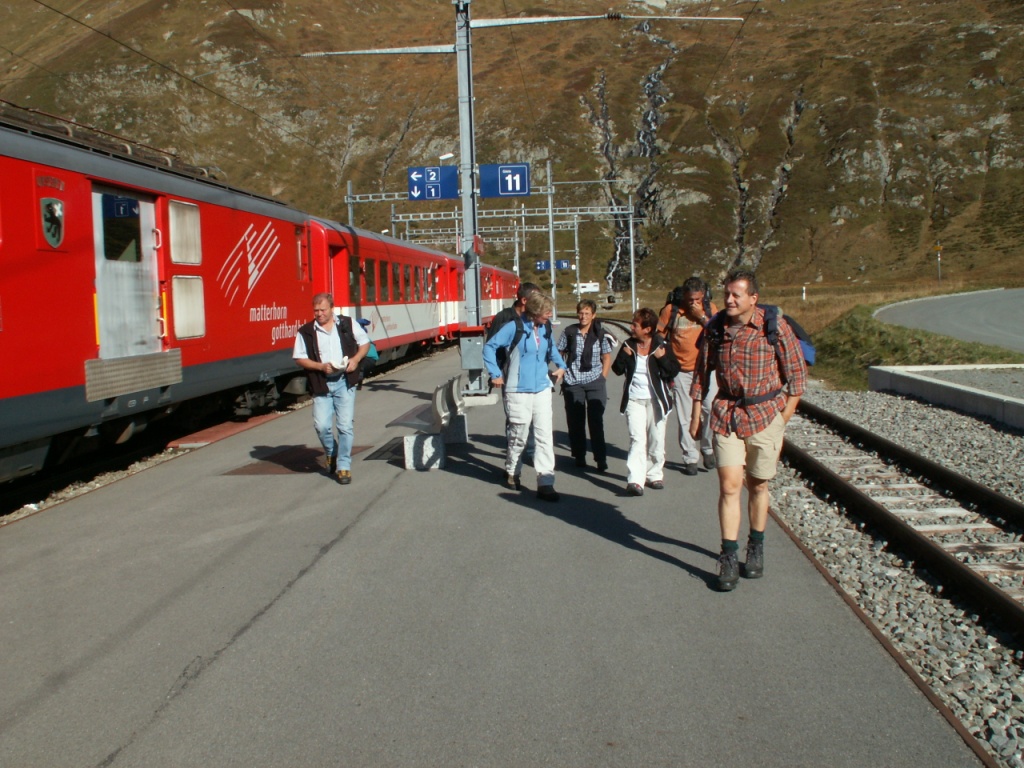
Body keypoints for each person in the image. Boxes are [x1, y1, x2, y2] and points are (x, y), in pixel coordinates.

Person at [689, 268, 808, 591]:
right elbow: (701, 373)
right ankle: (728, 555)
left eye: (736, 295)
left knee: (757, 485)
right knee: (729, 486)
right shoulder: (715, 328)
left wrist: (783, 417)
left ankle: (756, 545)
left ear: (753, 298)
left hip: (765, 414)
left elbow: (797, 376)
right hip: (727, 414)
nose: (729, 300)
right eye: (727, 294)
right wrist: (696, 413)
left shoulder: (774, 327)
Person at [483, 293, 567, 502]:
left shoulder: (546, 328)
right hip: (517, 389)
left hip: (542, 388)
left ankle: (546, 482)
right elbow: (489, 347)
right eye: (546, 312)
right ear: (535, 312)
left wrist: (561, 366)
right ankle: (512, 470)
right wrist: (495, 374)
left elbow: (551, 349)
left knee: (544, 436)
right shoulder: (514, 327)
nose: (550, 315)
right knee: (519, 435)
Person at [293, 293, 370, 485]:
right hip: (322, 383)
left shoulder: (347, 324)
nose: (319, 314)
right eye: (316, 311)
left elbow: (365, 343)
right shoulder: (306, 331)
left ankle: (344, 466)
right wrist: (320, 367)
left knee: (345, 426)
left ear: (332, 308)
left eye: (323, 310)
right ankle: (331, 451)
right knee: (321, 426)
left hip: (345, 381)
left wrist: (355, 360)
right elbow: (299, 358)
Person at [611, 307, 680, 496]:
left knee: (656, 438)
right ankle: (635, 480)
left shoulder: (661, 345)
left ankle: (654, 474)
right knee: (637, 439)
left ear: (647, 329)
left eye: (635, 325)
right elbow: (617, 370)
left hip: (656, 400)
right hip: (634, 399)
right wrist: (624, 355)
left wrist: (662, 358)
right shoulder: (628, 344)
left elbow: (673, 370)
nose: (632, 328)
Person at [658, 277, 719, 476]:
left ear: (704, 297)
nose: (693, 303)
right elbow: (659, 336)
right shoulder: (671, 311)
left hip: (706, 369)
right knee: (685, 415)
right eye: (690, 299)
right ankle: (690, 456)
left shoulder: (711, 309)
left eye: (698, 299)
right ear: (684, 296)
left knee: (710, 409)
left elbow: (719, 334)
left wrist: (701, 316)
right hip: (681, 370)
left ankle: (707, 447)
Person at [557, 299, 613, 472]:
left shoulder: (600, 333)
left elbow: (606, 358)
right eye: (581, 313)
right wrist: (562, 370)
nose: (583, 316)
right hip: (573, 382)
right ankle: (579, 455)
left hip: (595, 381)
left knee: (596, 421)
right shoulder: (569, 332)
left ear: (593, 315)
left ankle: (600, 458)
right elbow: (559, 353)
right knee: (576, 422)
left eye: (587, 313)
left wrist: (602, 378)